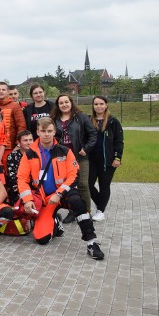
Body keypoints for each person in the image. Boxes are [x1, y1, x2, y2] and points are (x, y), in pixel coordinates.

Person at [17, 117, 104, 260]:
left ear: (54, 132)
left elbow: (74, 175)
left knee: (78, 203)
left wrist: (59, 193)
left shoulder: (65, 151)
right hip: (45, 199)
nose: (46, 134)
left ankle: (92, 243)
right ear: (37, 132)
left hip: (63, 193)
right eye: (43, 131)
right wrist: (27, 200)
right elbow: (22, 179)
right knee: (41, 239)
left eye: (49, 131)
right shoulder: (29, 154)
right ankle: (56, 222)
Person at [50, 94, 96, 223]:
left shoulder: (80, 116)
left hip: (80, 156)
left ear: (71, 103)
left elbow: (92, 134)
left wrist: (86, 148)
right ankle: (73, 211)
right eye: (61, 103)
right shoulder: (54, 119)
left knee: (82, 184)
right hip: (62, 158)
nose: (64, 105)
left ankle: (86, 212)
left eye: (66, 102)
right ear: (58, 105)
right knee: (68, 185)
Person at [88, 96, 123, 222]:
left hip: (107, 160)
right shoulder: (89, 120)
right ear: (93, 106)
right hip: (91, 160)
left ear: (106, 105)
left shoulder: (113, 122)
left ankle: (100, 211)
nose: (98, 106)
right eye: (96, 104)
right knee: (88, 185)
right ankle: (101, 205)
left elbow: (119, 142)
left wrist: (117, 158)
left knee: (104, 186)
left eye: (101, 104)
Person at [0, 82, 27, 166]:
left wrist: (19, 144)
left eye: (3, 89)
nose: (1, 91)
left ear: (7, 92)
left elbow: (21, 126)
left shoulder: (15, 106)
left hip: (10, 147)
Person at [6, 130, 33, 205]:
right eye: (25, 140)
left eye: (30, 140)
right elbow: (12, 177)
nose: (29, 143)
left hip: (34, 187)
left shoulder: (38, 155)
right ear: (19, 143)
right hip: (18, 187)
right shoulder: (12, 156)